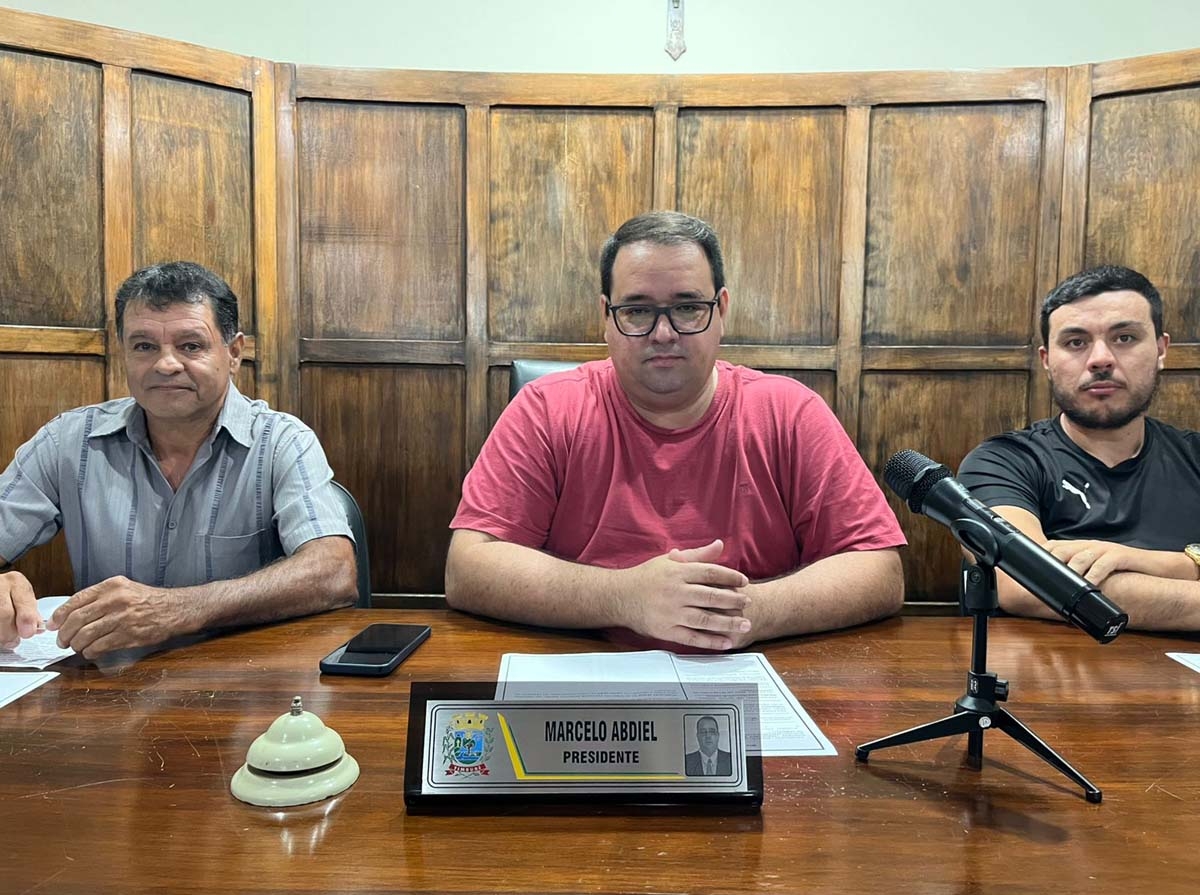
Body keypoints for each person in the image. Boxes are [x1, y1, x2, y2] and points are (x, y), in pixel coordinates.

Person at [446, 211, 905, 651]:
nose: (663, 333)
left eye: (687, 307)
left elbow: (878, 570)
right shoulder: (547, 409)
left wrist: (745, 612)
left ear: (722, 310)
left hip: (749, 670)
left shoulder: (789, 413)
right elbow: (468, 568)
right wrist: (624, 597)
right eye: (637, 310)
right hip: (586, 669)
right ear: (606, 317)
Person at [0, 261, 358, 658]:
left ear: (234, 353)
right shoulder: (68, 441)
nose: (165, 364)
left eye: (190, 346)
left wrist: (179, 609)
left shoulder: (281, 441)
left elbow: (334, 572)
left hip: (242, 680)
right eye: (144, 346)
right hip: (105, 685)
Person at [959, 265, 1200, 631]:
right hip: (1051, 668)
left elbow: (1055, 584)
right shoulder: (1002, 462)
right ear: (1046, 360)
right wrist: (1187, 568)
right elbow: (1024, 582)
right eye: (1076, 342)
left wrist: (1144, 559)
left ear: (1160, 349)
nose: (1100, 359)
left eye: (1124, 338)